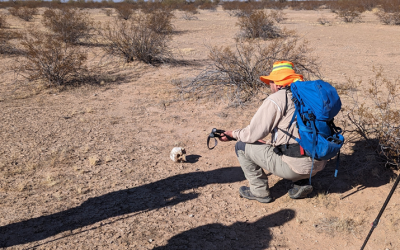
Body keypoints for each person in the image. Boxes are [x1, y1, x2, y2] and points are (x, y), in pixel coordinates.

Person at [219, 61, 327, 203]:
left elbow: (253, 133)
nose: (269, 86)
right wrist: (270, 143)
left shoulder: (277, 99)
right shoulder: (310, 96)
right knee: (300, 142)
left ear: (277, 83)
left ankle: (259, 192)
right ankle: (301, 183)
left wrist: (232, 134)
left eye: (270, 82)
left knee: (241, 146)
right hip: (320, 162)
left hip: (295, 167)